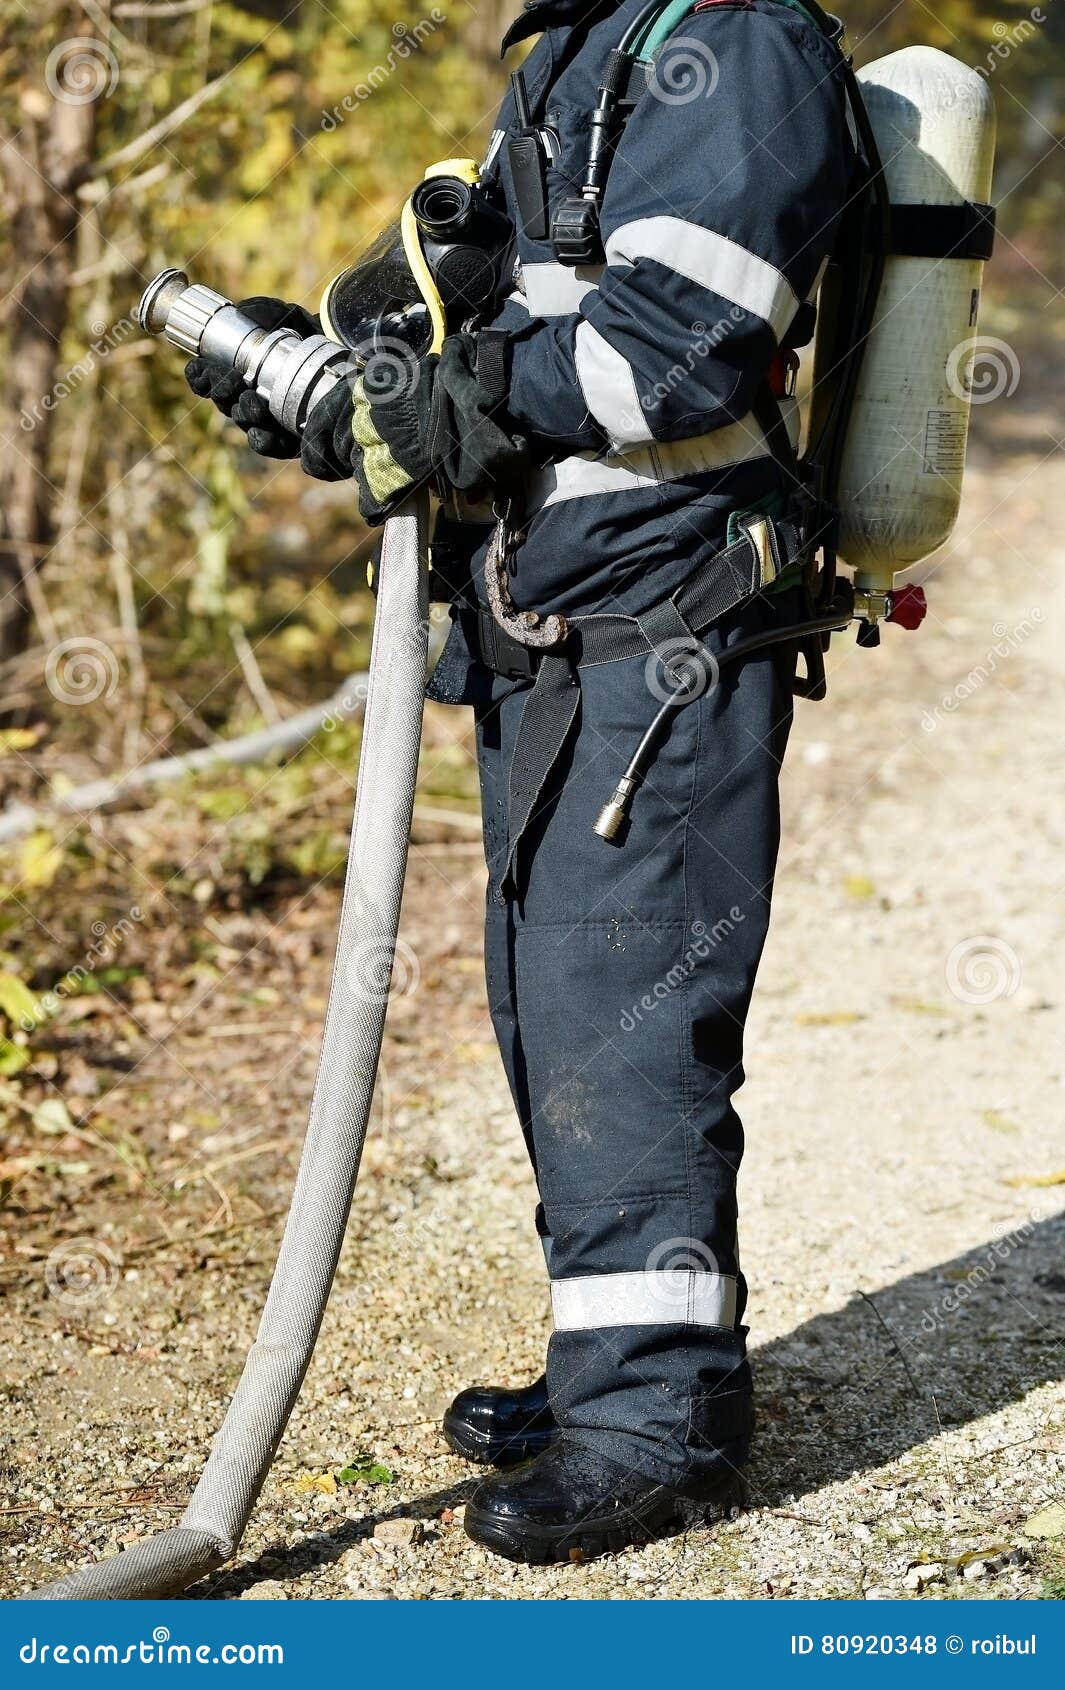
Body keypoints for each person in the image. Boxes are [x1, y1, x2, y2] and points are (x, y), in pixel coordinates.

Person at [187, 0, 856, 1563]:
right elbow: (490, 347)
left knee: (625, 1019)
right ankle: (611, 1361)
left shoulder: (738, 41)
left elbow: (678, 348)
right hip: (549, 629)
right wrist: (337, 383)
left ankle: (655, 1415)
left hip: (668, 632)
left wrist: (461, 404)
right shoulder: (577, 51)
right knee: (549, 1008)